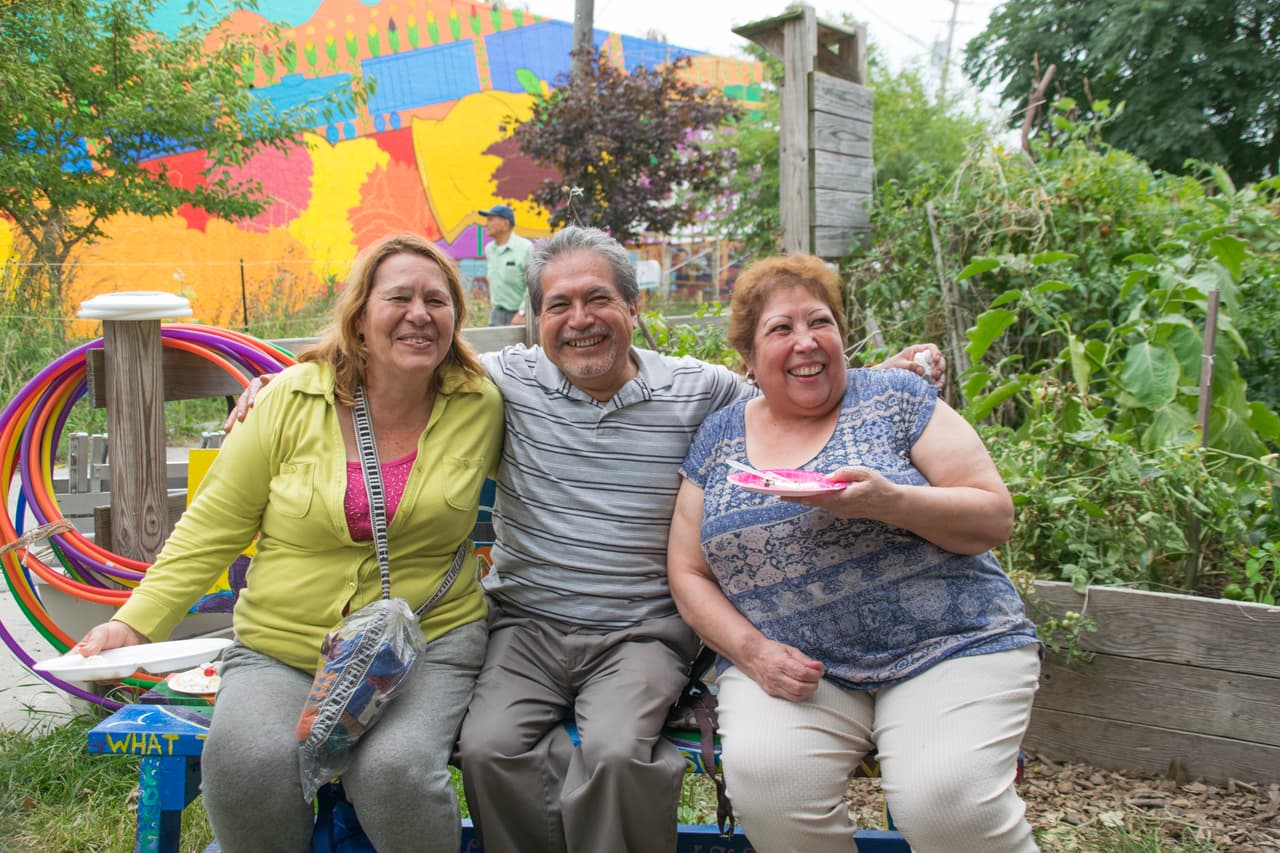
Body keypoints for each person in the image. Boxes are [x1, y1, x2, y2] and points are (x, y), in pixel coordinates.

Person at [227, 226, 944, 853]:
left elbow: (791, 379)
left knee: (612, 752)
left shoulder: (700, 391)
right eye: (558, 305)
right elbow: (383, 364)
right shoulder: (502, 382)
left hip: (640, 630)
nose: (580, 321)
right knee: (488, 747)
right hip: (526, 625)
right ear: (533, 320)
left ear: (634, 308)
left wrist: (898, 375)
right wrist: (273, 384)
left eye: (598, 299)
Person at [75, 233, 504, 853]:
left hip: (424, 641)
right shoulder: (286, 399)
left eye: (437, 301)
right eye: (399, 298)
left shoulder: (483, 402)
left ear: (455, 318)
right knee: (248, 763)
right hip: (285, 644)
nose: (420, 314)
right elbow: (212, 525)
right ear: (359, 317)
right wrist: (135, 625)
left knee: (395, 772)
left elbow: (566, 372)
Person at [666, 253, 1041, 853]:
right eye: (781, 329)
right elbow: (687, 570)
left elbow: (994, 515)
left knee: (946, 801)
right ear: (747, 358)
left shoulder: (895, 396)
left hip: (948, 646)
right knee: (770, 786)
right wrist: (754, 653)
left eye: (820, 323)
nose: (806, 342)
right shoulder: (719, 436)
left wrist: (889, 503)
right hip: (796, 667)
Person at [480, 203, 532, 326]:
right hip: (496, 314)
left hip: (519, 316)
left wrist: (522, 313)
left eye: (491, 220)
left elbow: (533, 285)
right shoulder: (489, 249)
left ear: (505, 224)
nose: (486, 224)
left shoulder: (525, 248)